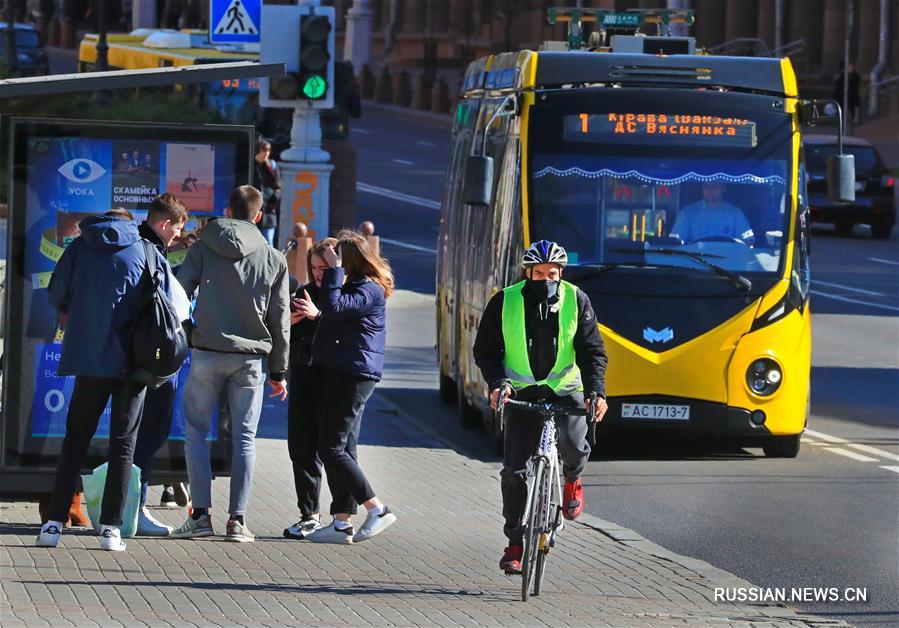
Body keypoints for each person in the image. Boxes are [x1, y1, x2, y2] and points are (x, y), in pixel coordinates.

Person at [37, 209, 173, 552]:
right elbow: (169, 303)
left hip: (88, 360)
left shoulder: (79, 248)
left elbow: (56, 294)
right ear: (130, 223)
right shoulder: (146, 251)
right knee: (123, 446)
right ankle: (111, 529)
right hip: (133, 363)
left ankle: (53, 525)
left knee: (75, 441)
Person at [472, 239, 608, 574]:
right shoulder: (504, 301)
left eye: (552, 273)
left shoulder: (577, 299)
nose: (545, 279)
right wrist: (498, 383)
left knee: (574, 444)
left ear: (561, 274)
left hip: (566, 389)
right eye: (538, 273)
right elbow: (485, 351)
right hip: (522, 393)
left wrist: (596, 392)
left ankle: (572, 479)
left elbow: (592, 351)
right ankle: (515, 542)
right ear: (527, 273)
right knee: (513, 472)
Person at [171, 185, 290, 543]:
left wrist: (190, 331)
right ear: (259, 216)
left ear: (227, 210)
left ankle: (200, 516)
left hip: (207, 351)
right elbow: (280, 319)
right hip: (250, 358)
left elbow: (179, 292)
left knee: (196, 432)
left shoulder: (204, 245)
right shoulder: (274, 258)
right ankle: (237, 521)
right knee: (245, 439)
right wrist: (279, 371)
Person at [305, 230, 397, 544]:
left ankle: (377, 509)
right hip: (343, 371)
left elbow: (332, 307)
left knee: (331, 448)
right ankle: (341, 521)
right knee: (342, 448)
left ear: (350, 261)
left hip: (353, 375)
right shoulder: (358, 285)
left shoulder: (368, 288)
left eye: (339, 259)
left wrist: (334, 270)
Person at [131, 193, 188, 536]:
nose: (177, 236)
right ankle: (133, 509)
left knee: (136, 434)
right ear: (166, 223)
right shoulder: (149, 250)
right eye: (177, 229)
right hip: (151, 359)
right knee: (149, 434)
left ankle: (125, 509)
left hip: (135, 355)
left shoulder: (136, 245)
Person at [282, 237, 336, 540]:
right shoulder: (304, 292)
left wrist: (318, 317)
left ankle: (343, 516)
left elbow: (346, 333)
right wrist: (287, 323)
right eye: (314, 268)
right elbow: (286, 335)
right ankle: (309, 514)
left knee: (335, 451)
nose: (317, 274)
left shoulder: (346, 296)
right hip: (303, 375)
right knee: (301, 447)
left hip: (333, 380)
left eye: (324, 268)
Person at [670, 182, 755, 245]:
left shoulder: (736, 214)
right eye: (706, 186)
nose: (710, 189)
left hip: (728, 262)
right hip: (694, 261)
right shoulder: (687, 213)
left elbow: (748, 242)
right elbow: (674, 242)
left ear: (723, 188)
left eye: (714, 186)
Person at [252, 139, 281, 246]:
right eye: (264, 150)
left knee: (268, 241)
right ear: (257, 151)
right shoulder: (251, 165)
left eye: (268, 150)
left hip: (269, 209)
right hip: (254, 209)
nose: (266, 153)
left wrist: (275, 196)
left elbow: (278, 186)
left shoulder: (271, 165)